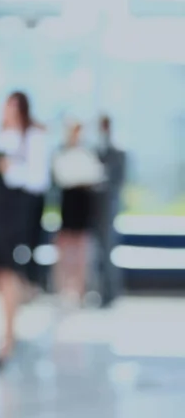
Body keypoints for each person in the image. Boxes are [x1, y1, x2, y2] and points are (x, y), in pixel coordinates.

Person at [0, 91, 50, 366]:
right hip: (0, 209)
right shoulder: (3, 135)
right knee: (3, 273)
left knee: (10, 271)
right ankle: (9, 329)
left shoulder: (34, 137)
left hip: (20, 212)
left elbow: (38, 180)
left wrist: (10, 168)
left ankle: (8, 337)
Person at [52, 121, 105, 307]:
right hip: (69, 202)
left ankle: (80, 290)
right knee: (65, 248)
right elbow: (62, 176)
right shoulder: (62, 153)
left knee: (82, 249)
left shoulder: (87, 154)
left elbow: (95, 175)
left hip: (83, 202)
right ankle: (64, 289)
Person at [94, 115, 126, 307]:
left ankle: (109, 293)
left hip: (108, 208)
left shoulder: (118, 152)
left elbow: (118, 182)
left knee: (107, 250)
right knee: (96, 253)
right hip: (93, 208)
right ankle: (97, 291)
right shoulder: (95, 151)